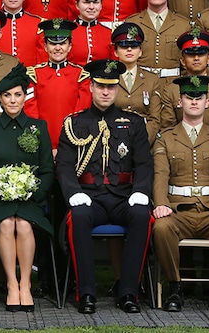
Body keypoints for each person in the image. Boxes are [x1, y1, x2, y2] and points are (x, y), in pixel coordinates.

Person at [56, 59, 153, 314]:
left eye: (111, 86)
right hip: (90, 197)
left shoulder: (133, 123)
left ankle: (129, 292)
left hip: (123, 197)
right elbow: (64, 166)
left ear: (117, 88)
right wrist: (74, 193)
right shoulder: (73, 124)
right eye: (100, 86)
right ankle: (86, 293)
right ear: (90, 86)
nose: (105, 92)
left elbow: (144, 163)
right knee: (78, 216)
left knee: (142, 215)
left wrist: (141, 191)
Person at [152, 75, 209, 313]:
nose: (194, 101)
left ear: (207, 102)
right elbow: (160, 174)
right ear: (180, 101)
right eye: (188, 97)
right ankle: (175, 286)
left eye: (199, 97)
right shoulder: (165, 137)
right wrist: (161, 203)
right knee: (161, 227)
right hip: (179, 209)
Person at [0, 64, 54, 311]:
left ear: (25, 97)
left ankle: (26, 284)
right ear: (0, 98)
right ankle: (11, 284)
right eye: (7, 95)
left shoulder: (38, 127)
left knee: (25, 224)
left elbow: (48, 169)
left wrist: (34, 192)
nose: (12, 100)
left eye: (17, 94)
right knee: (8, 223)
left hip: (31, 200)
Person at [24, 19, 91, 150]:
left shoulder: (81, 75)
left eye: (63, 43)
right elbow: (31, 111)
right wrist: (41, 140)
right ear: (45, 46)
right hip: (42, 141)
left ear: (70, 46)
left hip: (73, 140)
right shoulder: (34, 74)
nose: (58, 48)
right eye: (52, 43)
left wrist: (70, 141)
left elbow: (81, 111)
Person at [160, 29, 209, 135]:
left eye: (201, 54)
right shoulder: (171, 89)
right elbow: (167, 129)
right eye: (191, 54)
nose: (196, 58)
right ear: (182, 61)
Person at [127, 0, 190, 79]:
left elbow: (189, 63)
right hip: (142, 83)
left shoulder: (183, 25)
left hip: (172, 84)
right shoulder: (132, 23)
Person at [111, 23, 161, 145]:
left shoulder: (152, 80)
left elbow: (154, 120)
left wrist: (141, 143)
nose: (129, 50)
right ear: (116, 52)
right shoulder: (108, 78)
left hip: (143, 142)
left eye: (134, 46)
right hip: (112, 141)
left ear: (140, 52)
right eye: (124, 46)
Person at [67, 0, 114, 65]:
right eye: (86, 2)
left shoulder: (109, 33)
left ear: (101, 5)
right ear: (77, 5)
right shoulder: (68, 32)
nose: (91, 7)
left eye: (96, 2)